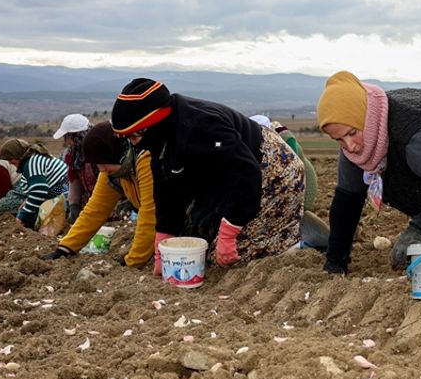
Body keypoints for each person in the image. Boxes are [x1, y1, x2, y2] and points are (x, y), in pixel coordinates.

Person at [110, 78, 304, 267]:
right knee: (196, 240)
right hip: (225, 178)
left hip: (270, 171)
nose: (132, 142)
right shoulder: (160, 137)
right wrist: (164, 238)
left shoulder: (201, 128)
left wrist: (229, 233)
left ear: (151, 124)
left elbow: (245, 174)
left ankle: (297, 238)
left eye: (133, 135)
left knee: (229, 257)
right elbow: (165, 190)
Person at [316, 71, 421, 274]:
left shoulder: (410, 133)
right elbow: (347, 201)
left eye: (352, 133)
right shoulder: (358, 148)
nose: (349, 146)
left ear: (366, 117)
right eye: (339, 140)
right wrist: (335, 261)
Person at [41, 122, 158, 269]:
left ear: (119, 154)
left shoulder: (145, 161)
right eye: (97, 164)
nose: (101, 169)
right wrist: (65, 248)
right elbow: (95, 209)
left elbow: (150, 215)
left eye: (103, 163)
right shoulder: (110, 171)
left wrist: (132, 262)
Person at [252, 114, 329, 250]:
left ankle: (306, 244)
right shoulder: (260, 143)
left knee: (292, 218)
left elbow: (291, 169)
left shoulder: (285, 139)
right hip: (286, 182)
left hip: (303, 181)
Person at [0, 138, 69, 231]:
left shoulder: (31, 164)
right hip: (63, 189)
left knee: (32, 217)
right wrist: (27, 202)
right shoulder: (33, 159)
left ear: (18, 155)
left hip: (64, 192)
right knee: (31, 209)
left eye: (10, 159)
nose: (9, 162)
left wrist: (22, 216)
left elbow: (39, 191)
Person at [53, 114, 96, 222]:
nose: (65, 141)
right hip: (89, 202)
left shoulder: (97, 149)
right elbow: (74, 181)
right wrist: (74, 206)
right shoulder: (73, 155)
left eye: (66, 137)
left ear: (76, 136)